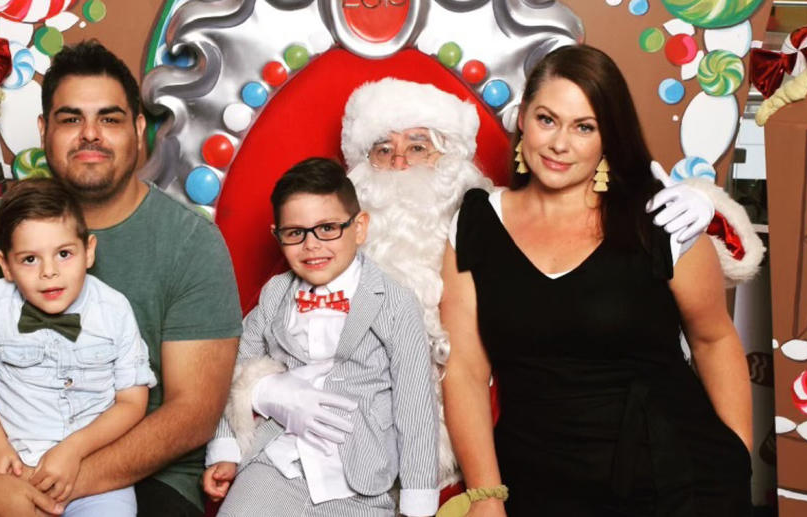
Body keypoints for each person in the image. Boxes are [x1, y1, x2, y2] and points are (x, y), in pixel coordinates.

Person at [226, 77, 722, 489]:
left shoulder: (486, 222)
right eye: (383, 150)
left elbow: (664, 279)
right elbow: (255, 343)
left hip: (504, 451)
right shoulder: (326, 249)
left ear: (453, 162)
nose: (400, 163)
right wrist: (267, 392)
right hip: (322, 457)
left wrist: (708, 208)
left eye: (419, 146)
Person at [0, 40, 242, 517]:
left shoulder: (191, 243)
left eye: (110, 119)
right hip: (6, 462)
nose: (90, 134)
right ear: (44, 130)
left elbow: (192, 413)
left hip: (143, 472)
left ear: (139, 129)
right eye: (71, 119)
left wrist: (60, 484)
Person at [440, 45, 752, 516]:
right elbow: (465, 371)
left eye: (584, 127)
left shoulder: (662, 218)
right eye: (547, 119)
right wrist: (486, 495)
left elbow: (713, 339)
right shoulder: (476, 222)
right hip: (537, 483)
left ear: (609, 137)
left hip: (678, 480)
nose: (559, 144)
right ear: (522, 119)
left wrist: (738, 458)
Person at [203, 158, 440, 516]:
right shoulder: (275, 294)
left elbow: (415, 406)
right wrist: (224, 449)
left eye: (327, 228)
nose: (311, 245)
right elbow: (235, 367)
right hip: (277, 464)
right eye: (295, 232)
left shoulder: (395, 303)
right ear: (277, 235)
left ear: (359, 228)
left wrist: (419, 500)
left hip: (358, 483)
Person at [0, 178, 156, 516]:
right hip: (17, 471)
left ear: (88, 251)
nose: (49, 272)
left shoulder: (114, 310)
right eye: (30, 259)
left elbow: (132, 400)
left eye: (64, 254)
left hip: (95, 473)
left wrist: (74, 450)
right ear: (5, 265)